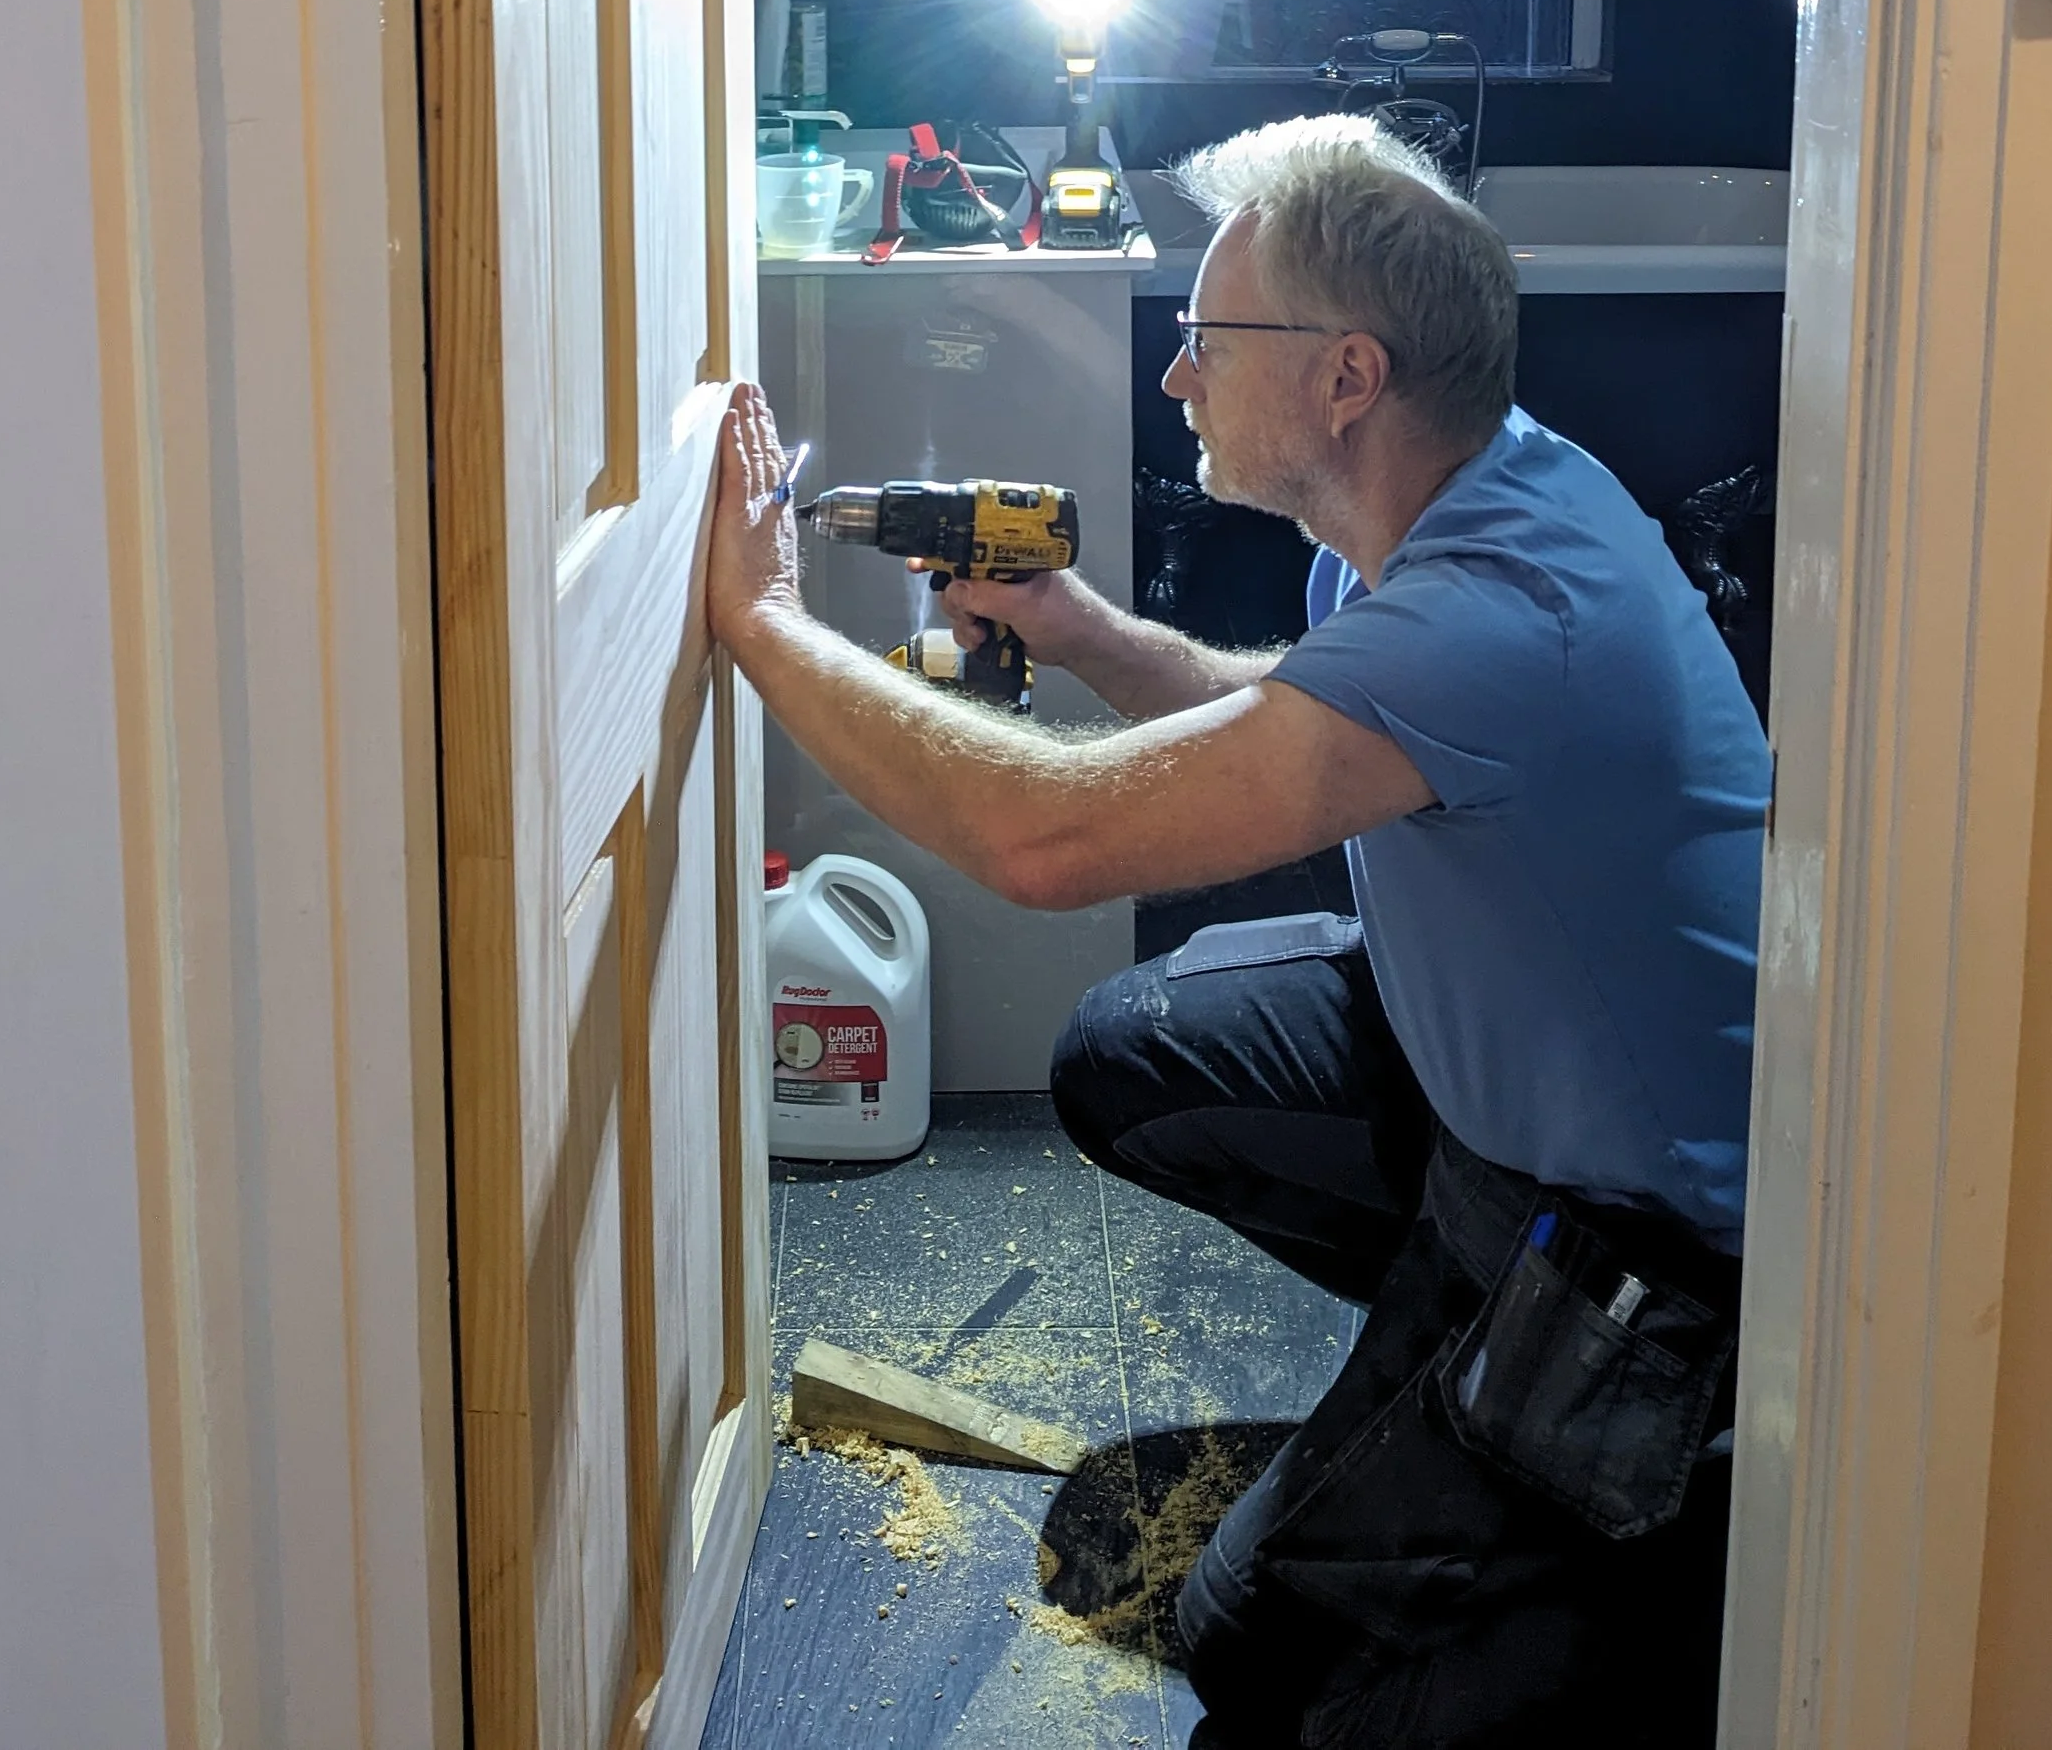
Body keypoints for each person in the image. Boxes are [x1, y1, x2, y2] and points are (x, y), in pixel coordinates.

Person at [705, 113, 1771, 1748]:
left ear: (1347, 375)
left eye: (1209, 340)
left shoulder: (1504, 613)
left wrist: (762, 625)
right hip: (1483, 1091)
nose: (1178, 378)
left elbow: (1044, 841)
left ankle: (1631, 1509)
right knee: (1133, 1055)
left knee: (1259, 1656)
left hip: (1651, 1254)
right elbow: (1284, 705)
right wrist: (1079, 635)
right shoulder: (1465, 498)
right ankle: (1445, 1344)